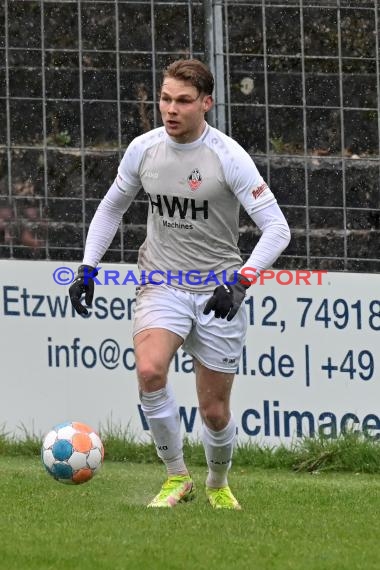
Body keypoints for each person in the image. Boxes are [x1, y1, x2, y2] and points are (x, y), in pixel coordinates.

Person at [69, 58, 291, 509]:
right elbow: (112, 208)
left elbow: (277, 228)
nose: (171, 109)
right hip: (161, 281)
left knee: (214, 411)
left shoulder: (228, 157)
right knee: (150, 371)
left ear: (206, 104)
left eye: (183, 101)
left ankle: (217, 482)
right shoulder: (144, 149)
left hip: (216, 292)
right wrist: (87, 267)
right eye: (165, 99)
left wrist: (241, 282)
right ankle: (176, 477)